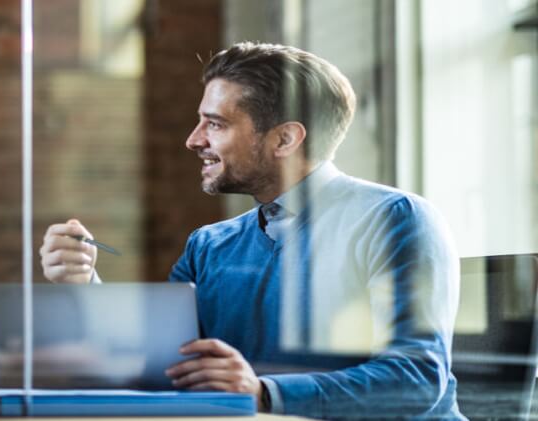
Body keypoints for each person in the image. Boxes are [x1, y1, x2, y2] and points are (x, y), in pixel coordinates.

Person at [40, 42, 460, 419]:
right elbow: (162, 366)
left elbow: (416, 378)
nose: (193, 140)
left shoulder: (396, 219)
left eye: (216, 124)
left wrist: (261, 393)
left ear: (284, 139)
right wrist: (84, 282)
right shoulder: (208, 245)